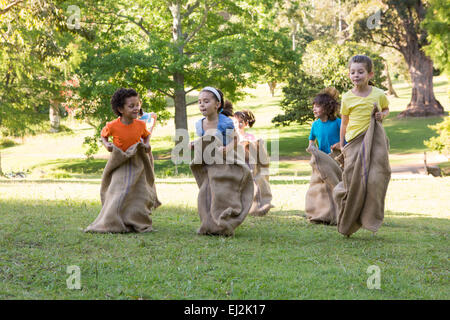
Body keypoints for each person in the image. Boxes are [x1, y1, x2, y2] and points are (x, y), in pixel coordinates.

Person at [340, 55, 389, 149]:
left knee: (377, 163)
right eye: (352, 72)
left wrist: (382, 114)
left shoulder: (379, 94)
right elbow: (344, 123)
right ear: (348, 75)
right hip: (353, 141)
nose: (356, 75)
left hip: (374, 140)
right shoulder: (346, 97)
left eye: (360, 72)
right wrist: (342, 145)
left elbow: (386, 109)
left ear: (370, 74)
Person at [101, 88, 151, 153]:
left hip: (135, 159)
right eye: (131, 106)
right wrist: (106, 144)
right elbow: (103, 135)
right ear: (120, 109)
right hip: (119, 160)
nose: (136, 108)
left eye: (137, 105)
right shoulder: (112, 126)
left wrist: (146, 143)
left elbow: (147, 135)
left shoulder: (141, 124)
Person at [192, 87, 235, 152]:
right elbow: (203, 141)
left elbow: (235, 139)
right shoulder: (200, 124)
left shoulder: (225, 123)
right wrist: (193, 144)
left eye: (206, 101)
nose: (202, 105)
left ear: (217, 104)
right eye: (199, 102)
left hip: (226, 158)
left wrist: (226, 149)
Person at [308, 87, 341, 155]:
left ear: (327, 108)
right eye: (313, 107)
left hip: (338, 158)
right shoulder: (315, 125)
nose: (314, 109)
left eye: (317, 106)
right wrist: (311, 146)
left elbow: (349, 138)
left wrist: (340, 144)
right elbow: (311, 139)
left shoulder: (338, 122)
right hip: (323, 159)